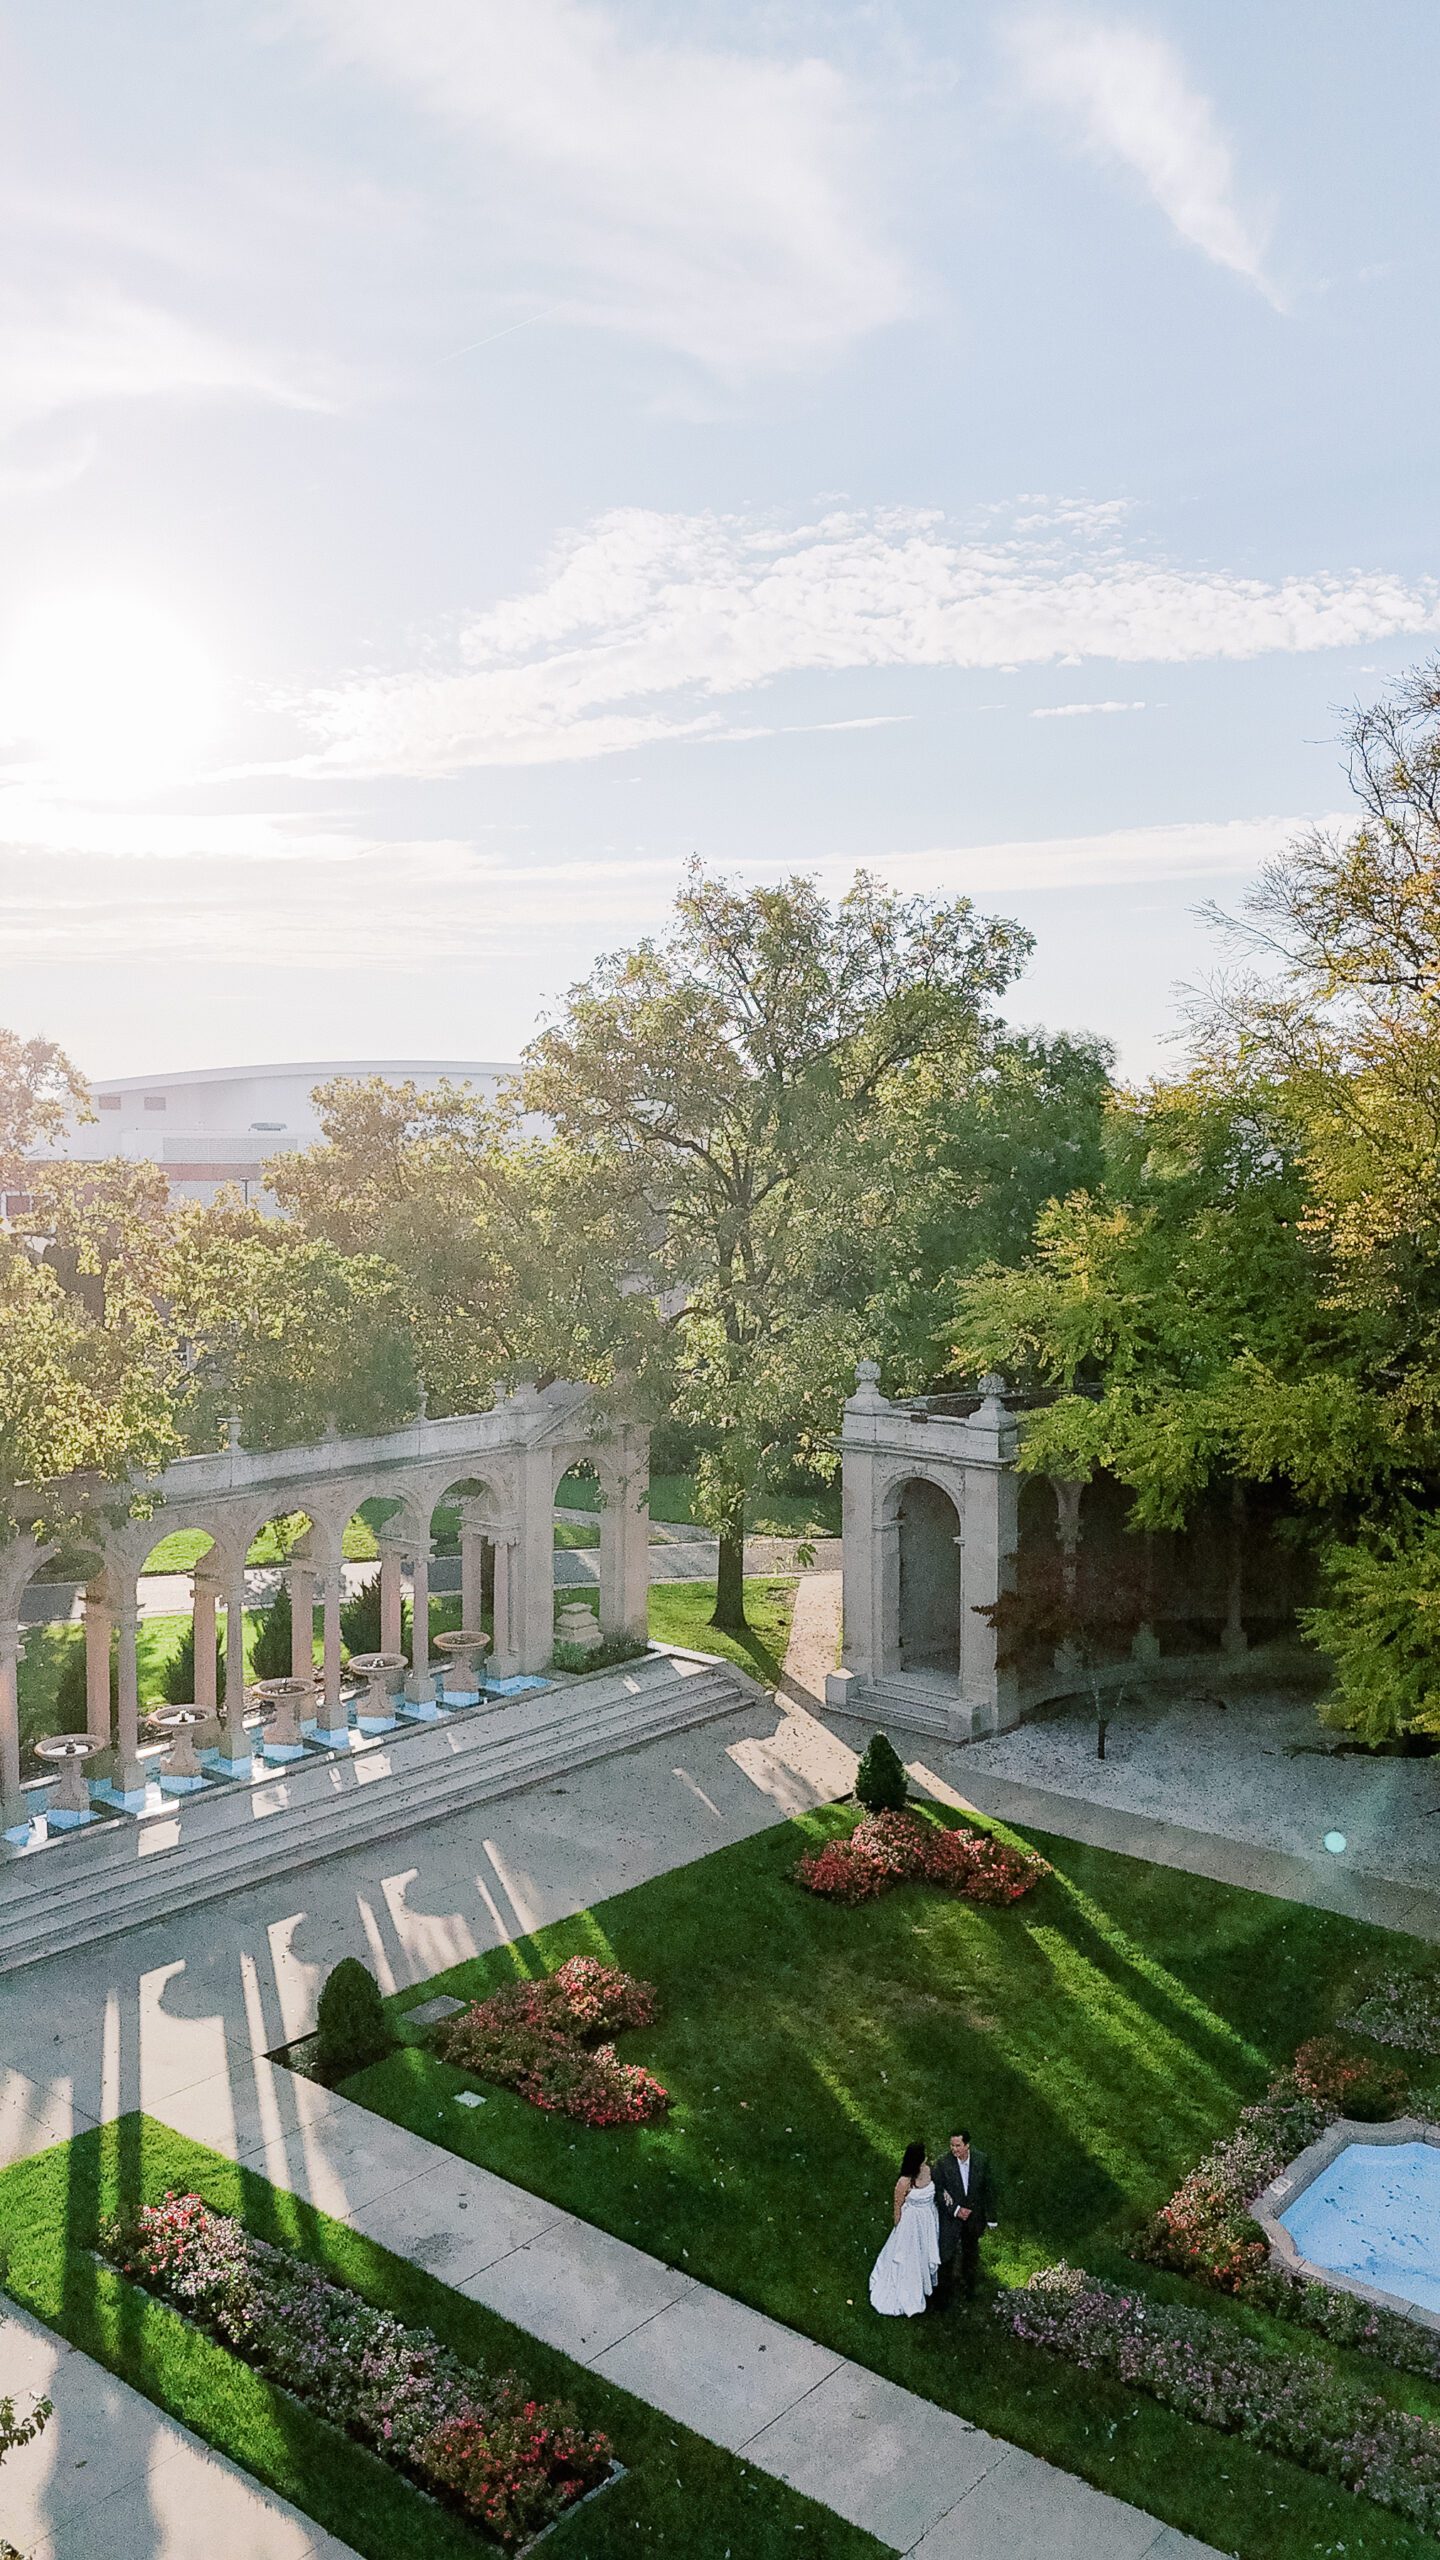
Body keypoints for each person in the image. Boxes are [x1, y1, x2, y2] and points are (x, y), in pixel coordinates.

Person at [868, 2140, 941, 2317]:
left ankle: (925, 2281)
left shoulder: (927, 2170)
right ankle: (908, 2289)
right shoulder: (904, 2182)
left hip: (928, 2218)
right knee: (910, 2256)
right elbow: (897, 2207)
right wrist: (899, 2231)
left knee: (924, 2251)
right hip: (911, 2223)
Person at [932, 2127, 997, 2304]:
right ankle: (943, 2297)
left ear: (967, 2145)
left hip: (973, 2218)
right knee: (947, 2255)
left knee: (971, 2253)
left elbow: (987, 2189)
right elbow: (938, 2191)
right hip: (951, 2217)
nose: (954, 2149)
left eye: (958, 2145)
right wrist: (956, 2209)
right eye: (952, 2145)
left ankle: (970, 2290)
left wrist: (991, 2217)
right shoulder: (943, 2164)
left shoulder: (981, 2160)